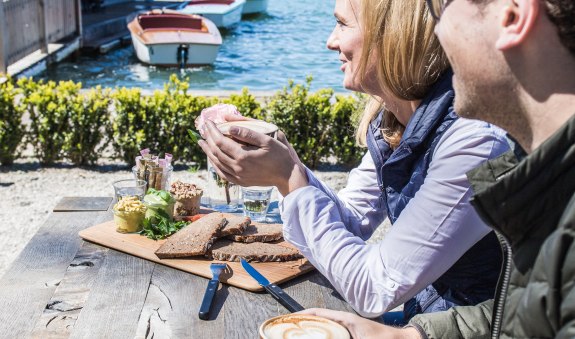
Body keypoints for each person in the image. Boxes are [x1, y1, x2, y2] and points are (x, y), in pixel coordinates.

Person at [198, 0, 510, 322]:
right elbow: (354, 219)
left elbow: (376, 289)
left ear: (392, 35)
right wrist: (284, 161)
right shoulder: (395, 115)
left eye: (342, 24)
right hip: (425, 316)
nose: (331, 41)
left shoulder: (475, 140)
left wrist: (289, 178)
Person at [298, 0, 575, 337]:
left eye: (440, 12)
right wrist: (411, 335)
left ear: (513, 15)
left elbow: (377, 285)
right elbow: (519, 308)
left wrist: (290, 179)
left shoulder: (484, 144)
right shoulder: (548, 174)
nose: (433, 35)